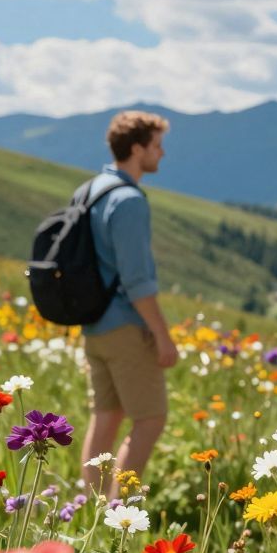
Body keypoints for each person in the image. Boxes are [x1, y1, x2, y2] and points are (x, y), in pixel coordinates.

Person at [78, 111, 178, 492]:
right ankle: (119, 510)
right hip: (124, 325)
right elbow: (137, 281)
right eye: (156, 145)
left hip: (92, 323)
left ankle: (89, 508)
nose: (162, 154)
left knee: (106, 416)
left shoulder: (90, 189)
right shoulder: (129, 201)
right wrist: (162, 336)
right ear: (137, 149)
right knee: (150, 419)